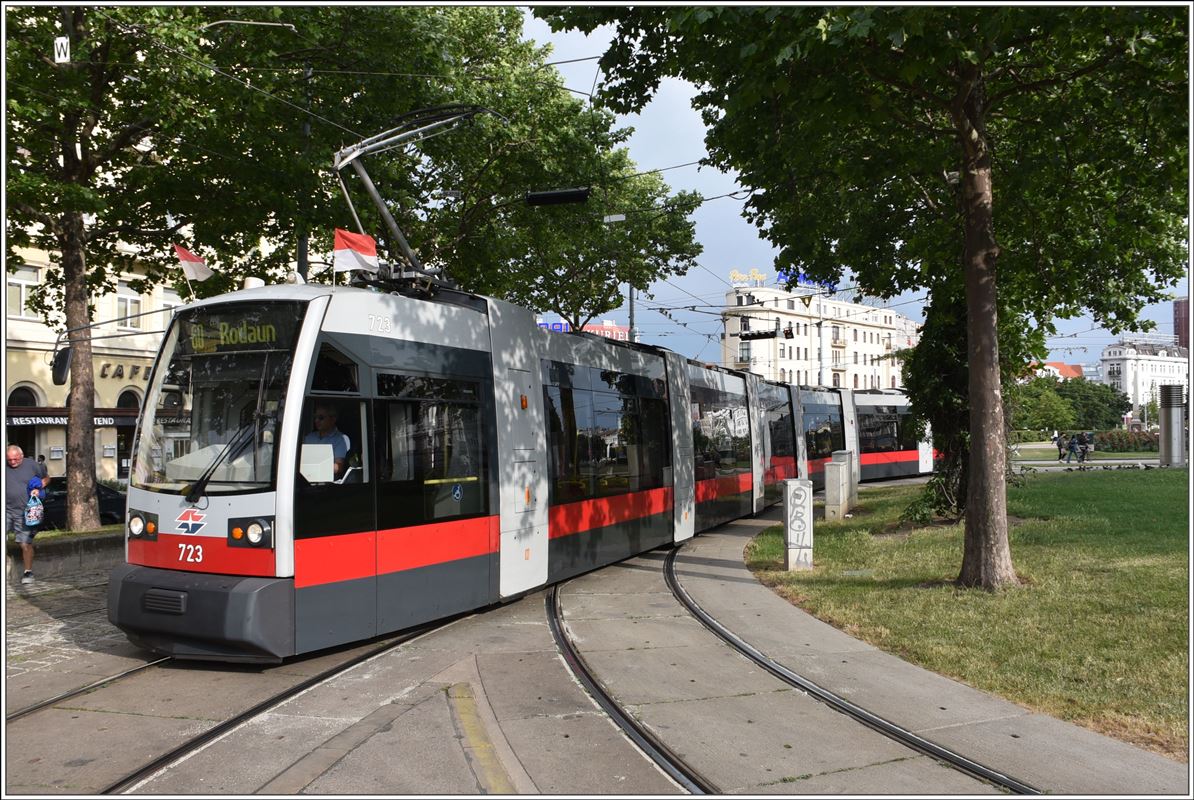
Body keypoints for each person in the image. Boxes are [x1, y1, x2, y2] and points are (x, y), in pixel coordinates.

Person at [6, 445, 47, 585]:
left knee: (24, 543)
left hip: (24, 512)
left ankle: (28, 572)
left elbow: (47, 478)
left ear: (21, 456)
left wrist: (39, 486)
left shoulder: (33, 465)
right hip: (5, 510)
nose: (12, 462)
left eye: (15, 459)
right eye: (9, 460)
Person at [303, 403, 350, 479]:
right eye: (315, 417)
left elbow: (338, 467)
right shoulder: (309, 437)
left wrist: (315, 468)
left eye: (321, 418)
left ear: (333, 419)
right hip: (305, 481)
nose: (316, 420)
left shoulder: (341, 439)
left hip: (327, 485)